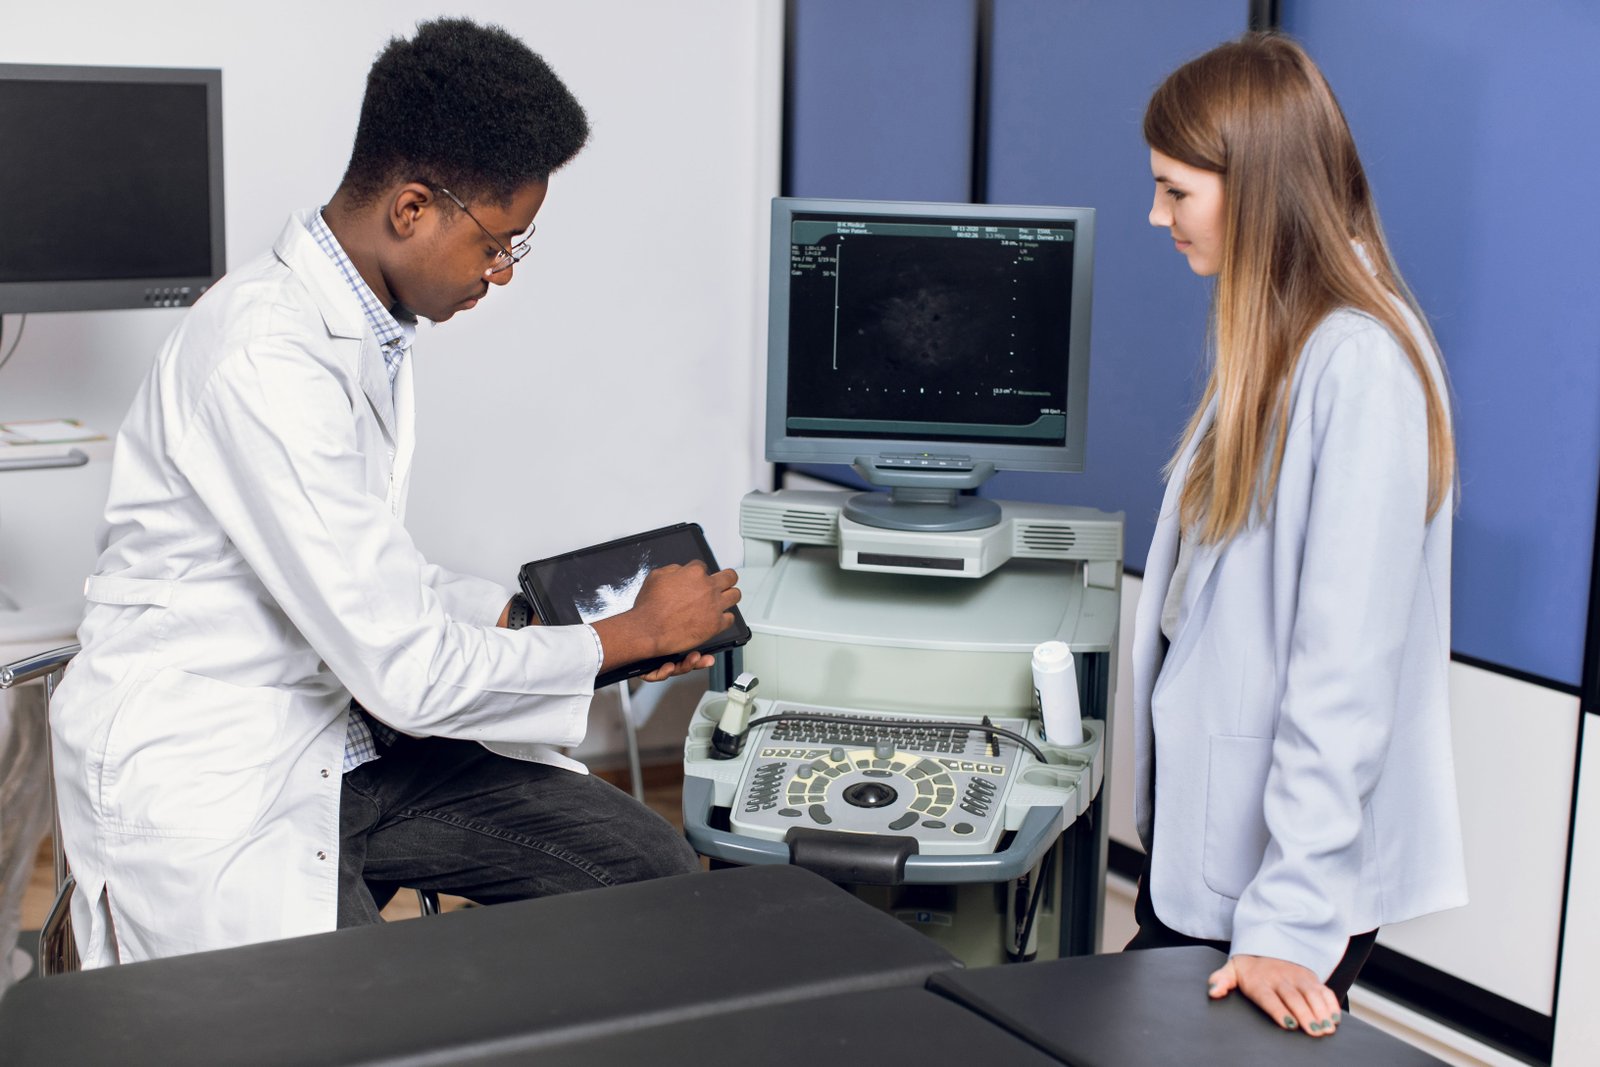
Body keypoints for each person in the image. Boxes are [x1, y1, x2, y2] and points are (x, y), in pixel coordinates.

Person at [49, 17, 738, 966]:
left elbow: (373, 570)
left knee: (641, 862)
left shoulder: (363, 329)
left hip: (339, 735)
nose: (500, 274)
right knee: (356, 1007)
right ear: (413, 208)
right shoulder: (265, 354)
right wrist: (630, 634)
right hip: (213, 770)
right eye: (499, 244)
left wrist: (522, 617)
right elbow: (402, 666)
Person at [1126, 33, 1467, 1038]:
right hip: (1214, 854)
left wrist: (1286, 919)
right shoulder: (1276, 337)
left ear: (1256, 185)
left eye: (1174, 190)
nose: (1157, 215)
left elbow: (1345, 671)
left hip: (1280, 887)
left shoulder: (1358, 365)